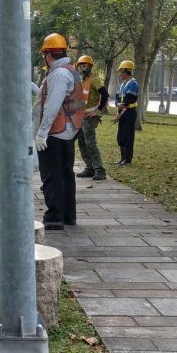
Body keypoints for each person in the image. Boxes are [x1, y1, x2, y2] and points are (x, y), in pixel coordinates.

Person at [34, 33, 86, 230]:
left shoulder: (58, 74)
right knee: (65, 174)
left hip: (55, 132)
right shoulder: (69, 71)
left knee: (51, 175)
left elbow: (53, 106)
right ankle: (67, 216)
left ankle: (54, 218)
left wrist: (41, 133)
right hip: (68, 130)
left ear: (48, 54)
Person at [74, 55, 109, 181]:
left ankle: (100, 170)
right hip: (81, 116)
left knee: (90, 143)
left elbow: (105, 94)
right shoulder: (81, 80)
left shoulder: (94, 79)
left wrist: (98, 111)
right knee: (82, 143)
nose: (82, 67)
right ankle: (90, 168)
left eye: (85, 65)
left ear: (90, 67)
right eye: (80, 65)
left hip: (89, 116)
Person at [113, 60, 139, 166]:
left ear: (126, 72)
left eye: (120, 71)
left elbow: (129, 99)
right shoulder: (123, 84)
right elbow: (117, 98)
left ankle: (128, 159)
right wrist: (117, 105)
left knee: (128, 135)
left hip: (129, 112)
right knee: (121, 135)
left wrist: (120, 106)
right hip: (122, 111)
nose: (119, 74)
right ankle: (122, 158)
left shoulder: (133, 84)